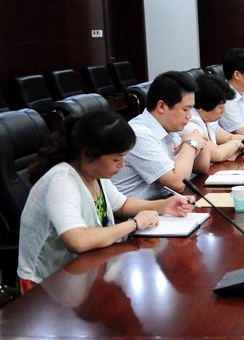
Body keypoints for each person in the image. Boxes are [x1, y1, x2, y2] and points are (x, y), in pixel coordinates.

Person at [18, 111, 195, 289]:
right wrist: (134, 224)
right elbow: (77, 240)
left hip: (87, 269)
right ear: (87, 154)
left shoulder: (93, 173)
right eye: (116, 159)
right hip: (48, 283)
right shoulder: (62, 182)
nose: (122, 164)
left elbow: (121, 205)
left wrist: (164, 206)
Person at [112, 71, 207, 199]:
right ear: (161, 106)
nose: (189, 116)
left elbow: (202, 167)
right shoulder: (139, 134)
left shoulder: (168, 127)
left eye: (191, 109)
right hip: (138, 209)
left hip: (162, 203)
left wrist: (197, 139)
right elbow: (178, 183)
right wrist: (191, 143)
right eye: (185, 109)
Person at [183, 74, 244, 173]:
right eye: (220, 107)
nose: (223, 111)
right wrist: (238, 143)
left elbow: (228, 137)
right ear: (204, 105)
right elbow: (218, 154)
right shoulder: (190, 124)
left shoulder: (207, 118)